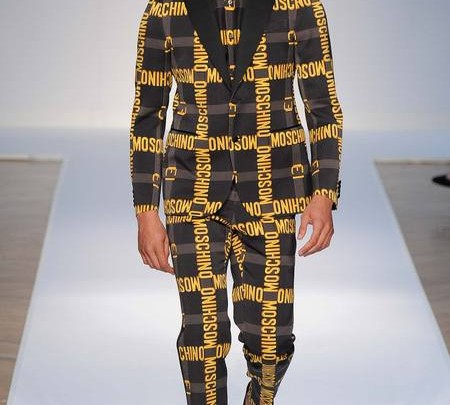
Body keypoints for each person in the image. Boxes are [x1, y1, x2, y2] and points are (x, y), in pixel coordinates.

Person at [129, 0, 344, 404]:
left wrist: (324, 192)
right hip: (191, 189)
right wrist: (146, 210)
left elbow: (322, 107)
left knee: (272, 341)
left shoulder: (299, 6)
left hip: (273, 188)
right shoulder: (165, 9)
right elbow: (148, 113)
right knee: (201, 337)